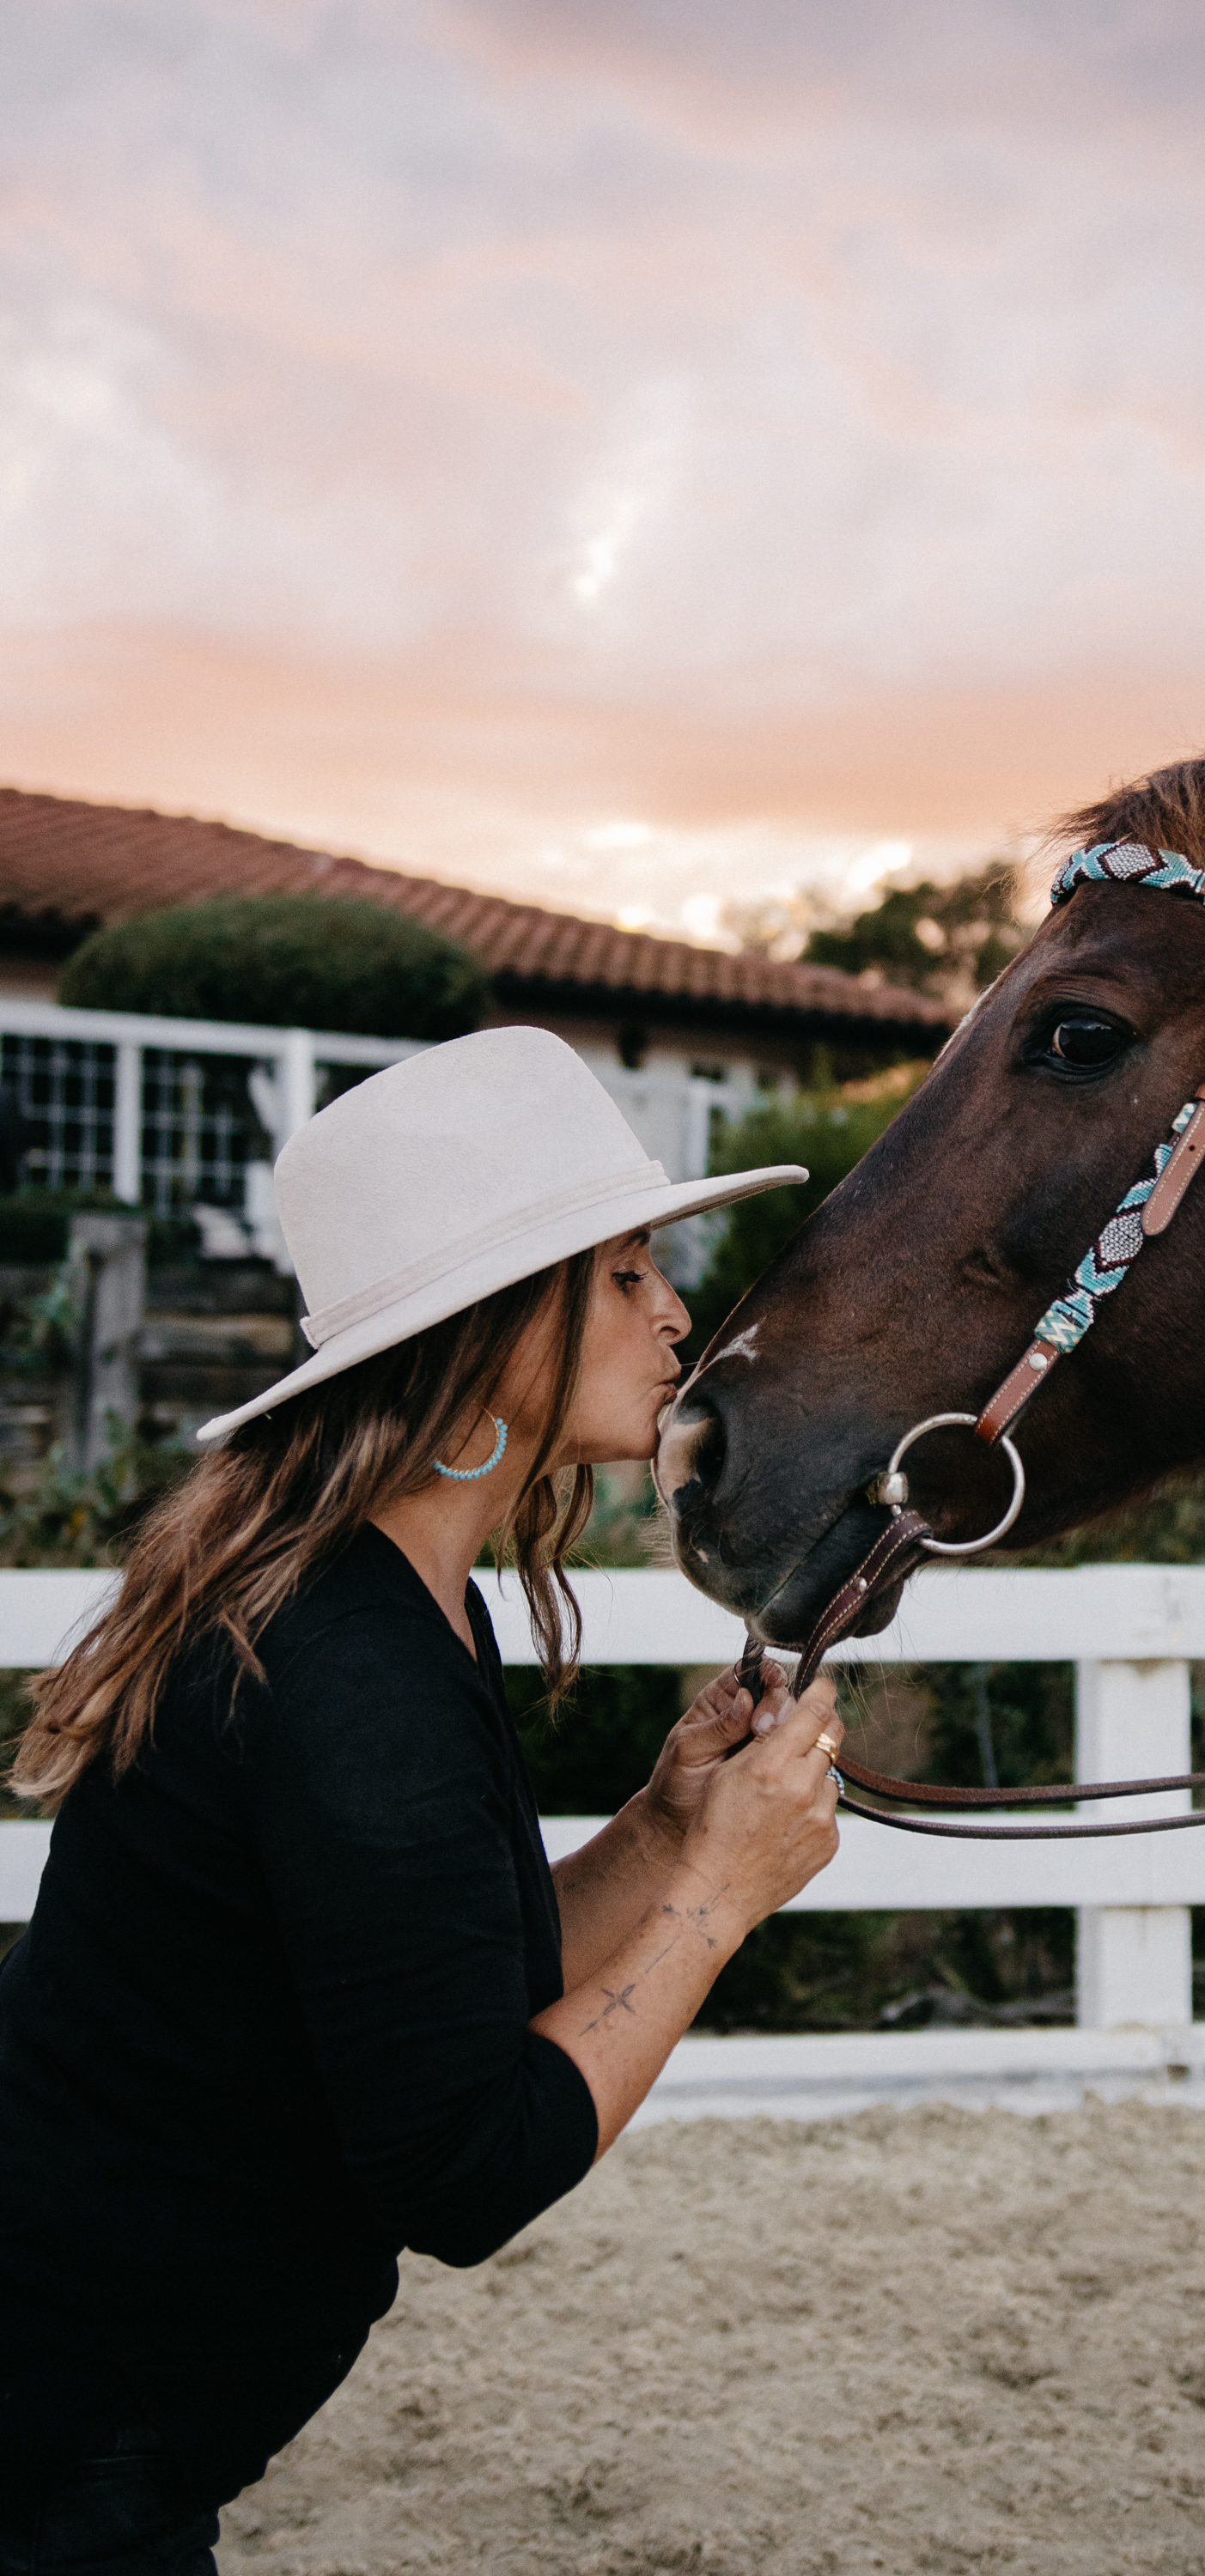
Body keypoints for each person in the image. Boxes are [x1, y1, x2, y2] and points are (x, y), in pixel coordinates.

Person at [0, 1025, 843, 2573]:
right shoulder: (355, 1674)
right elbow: (468, 2165)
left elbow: (451, 1997)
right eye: (625, 1272)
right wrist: (720, 1900)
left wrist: (661, 1833)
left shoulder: (376, 1601)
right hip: (65, 2414)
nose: (677, 1314)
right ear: (491, 1326)